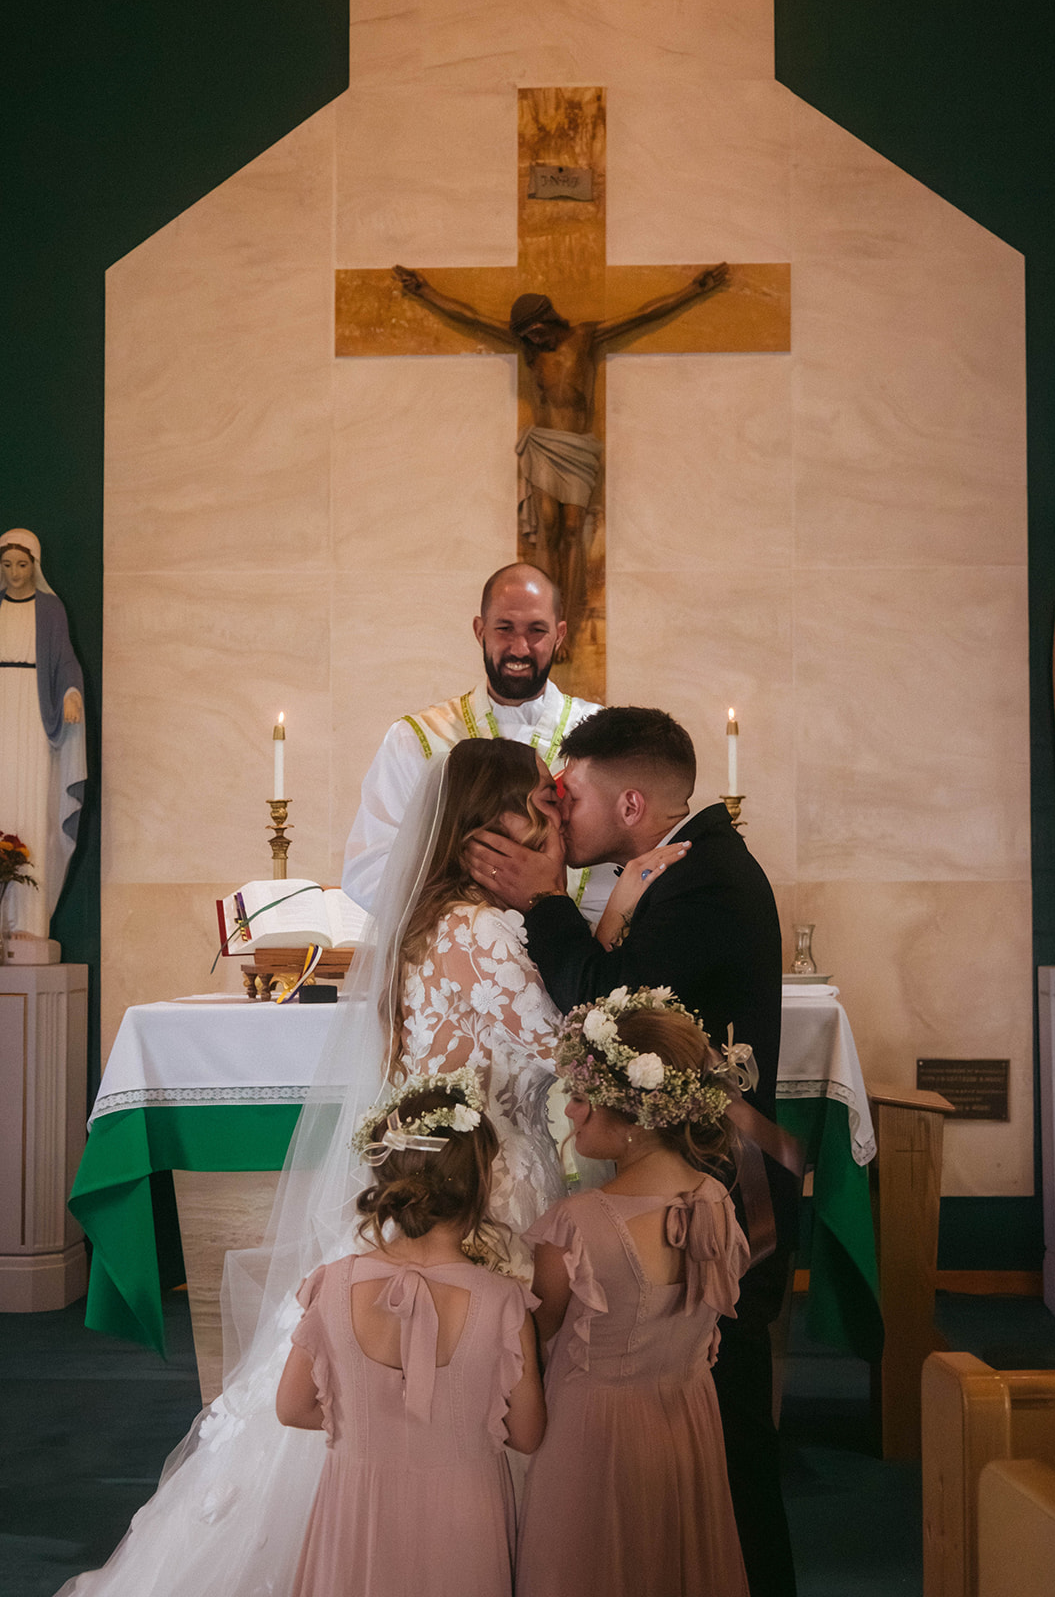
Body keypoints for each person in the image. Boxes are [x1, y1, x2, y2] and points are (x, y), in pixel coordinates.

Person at [55, 738, 670, 1597]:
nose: (559, 810)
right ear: (496, 824)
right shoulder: (483, 930)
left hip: (452, 1175)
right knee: (464, 1402)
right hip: (485, 1196)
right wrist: (611, 918)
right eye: (543, 797)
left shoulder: (436, 921)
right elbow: (575, 1051)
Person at [466, 706, 798, 1597]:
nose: (554, 811)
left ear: (631, 803)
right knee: (692, 1424)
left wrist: (541, 900)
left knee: (725, 1431)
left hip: (720, 1190)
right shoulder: (686, 868)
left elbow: (606, 1008)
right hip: (692, 1182)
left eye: (567, 795)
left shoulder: (706, 880)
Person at [517, 990, 751, 1597]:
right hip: (686, 1426)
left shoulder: (576, 1224)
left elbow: (535, 1341)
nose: (570, 1112)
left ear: (631, 1115)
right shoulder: (718, 1202)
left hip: (593, 1441)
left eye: (581, 1097)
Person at [277, 1072, 544, 1597]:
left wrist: (365, 1424)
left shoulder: (332, 1286)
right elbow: (527, 1435)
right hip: (464, 1517)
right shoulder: (503, 1302)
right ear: (480, 1185)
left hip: (358, 1511)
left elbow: (292, 1409)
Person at [392, 266, 730, 641]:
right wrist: (425, 292)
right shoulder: (529, 348)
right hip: (544, 447)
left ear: (550, 319)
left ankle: (564, 620)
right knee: (548, 531)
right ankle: (545, 621)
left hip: (578, 451)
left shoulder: (584, 337)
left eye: (538, 331)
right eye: (527, 336)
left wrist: (692, 291)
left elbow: (644, 314)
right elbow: (471, 318)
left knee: (573, 532)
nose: (535, 340)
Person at [341, 560, 615, 925]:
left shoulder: (602, 734)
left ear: (560, 634)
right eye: (505, 629)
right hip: (462, 957)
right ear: (479, 630)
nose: (520, 647)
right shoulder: (417, 738)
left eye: (536, 631)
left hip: (579, 954)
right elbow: (368, 870)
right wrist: (478, 917)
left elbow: (625, 856)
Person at [0, 528, 86, 946]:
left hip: (35, 714)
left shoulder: (50, 610)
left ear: (34, 566)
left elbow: (66, 659)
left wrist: (71, 692)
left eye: (21, 565)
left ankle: (28, 923)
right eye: (7, 566)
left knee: (31, 804)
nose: (14, 574)